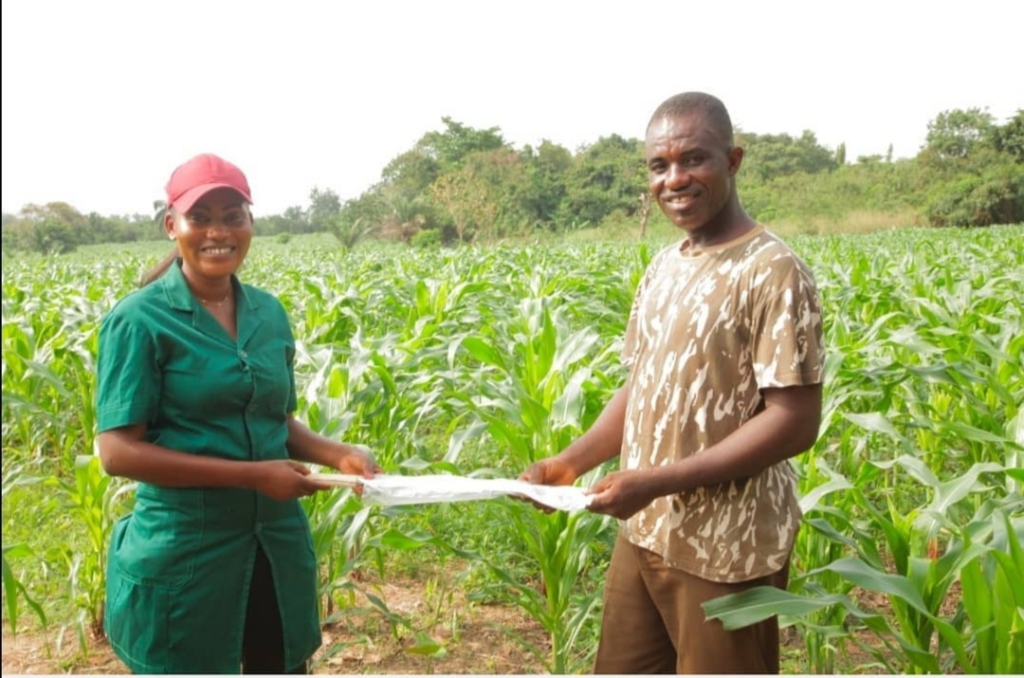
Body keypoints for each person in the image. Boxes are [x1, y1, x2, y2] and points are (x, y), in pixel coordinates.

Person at [521, 92, 825, 674]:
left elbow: (795, 421)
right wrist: (568, 463)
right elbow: (643, 389)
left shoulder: (772, 270)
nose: (675, 179)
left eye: (695, 160)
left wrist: (658, 481)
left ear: (733, 161)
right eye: (660, 166)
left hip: (727, 548)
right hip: (647, 531)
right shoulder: (665, 265)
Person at [96, 153, 381, 674]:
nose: (217, 232)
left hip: (273, 547)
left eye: (232, 216)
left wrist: (340, 454)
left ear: (251, 223)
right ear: (170, 225)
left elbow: (276, 421)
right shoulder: (138, 320)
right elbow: (116, 452)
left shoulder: (268, 313)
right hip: (185, 552)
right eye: (199, 217)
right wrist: (253, 477)